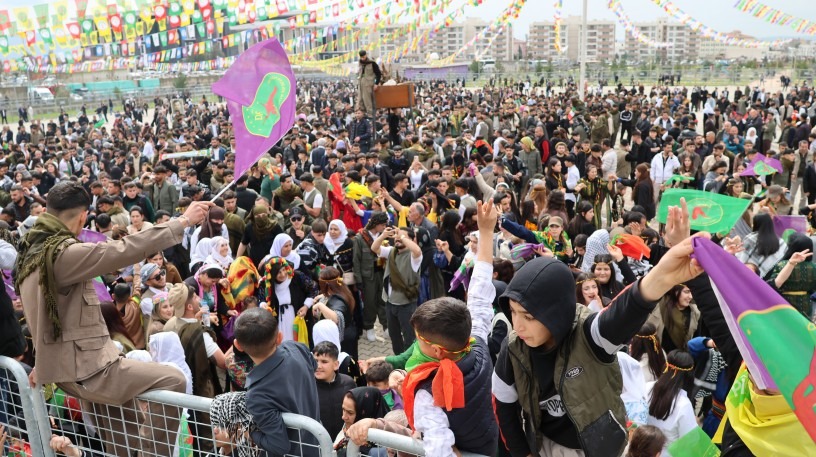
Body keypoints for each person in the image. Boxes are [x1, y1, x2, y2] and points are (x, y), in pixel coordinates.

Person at [493, 199, 703, 457]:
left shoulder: (587, 335)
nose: (518, 325)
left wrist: (663, 276)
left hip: (601, 447)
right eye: (512, 312)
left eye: (528, 315)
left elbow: (621, 314)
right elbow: (504, 408)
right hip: (547, 446)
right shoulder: (512, 349)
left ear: (555, 312)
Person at [16, 181, 211, 457]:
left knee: (123, 435)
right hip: (92, 369)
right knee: (173, 379)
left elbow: (40, 315)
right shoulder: (60, 253)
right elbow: (120, 250)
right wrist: (182, 222)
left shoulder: (32, 251)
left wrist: (46, 362)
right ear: (84, 216)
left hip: (79, 368)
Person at [233, 307, 320, 456]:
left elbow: (279, 446)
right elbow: (314, 366)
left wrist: (248, 432)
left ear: (238, 346)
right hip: (316, 444)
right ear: (279, 337)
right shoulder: (297, 348)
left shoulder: (256, 395)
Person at [371, 225, 422, 355]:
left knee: (409, 338)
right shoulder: (391, 251)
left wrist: (403, 236)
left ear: (411, 239)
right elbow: (374, 248)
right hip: (390, 303)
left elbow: (417, 251)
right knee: (394, 337)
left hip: (406, 305)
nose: (398, 238)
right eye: (397, 235)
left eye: (402, 236)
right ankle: (398, 361)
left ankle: (410, 364)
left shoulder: (413, 257)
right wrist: (383, 235)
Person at [646, 350, 697, 449]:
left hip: (644, 448)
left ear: (666, 367)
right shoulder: (683, 404)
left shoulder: (647, 387)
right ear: (689, 375)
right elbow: (690, 442)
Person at [314, 340, 357, 440]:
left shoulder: (348, 383)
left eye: (324, 362)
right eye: (315, 361)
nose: (318, 366)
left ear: (336, 365)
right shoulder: (307, 386)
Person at [767, 233, 815, 319]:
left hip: (786, 304)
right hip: (806, 305)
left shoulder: (782, 265)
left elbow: (773, 284)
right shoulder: (813, 267)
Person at [334, 387, 390, 456]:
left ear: (366, 413)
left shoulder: (384, 451)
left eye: (350, 413)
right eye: (343, 409)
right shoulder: (346, 432)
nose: (343, 417)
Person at [647, 284, 700, 353]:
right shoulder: (658, 308)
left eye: (691, 292)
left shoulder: (695, 312)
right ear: (676, 291)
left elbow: (696, 338)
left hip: (682, 359)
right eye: (686, 292)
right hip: (659, 357)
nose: (690, 296)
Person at [735, 212, 787, 278]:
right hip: (769, 279)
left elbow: (740, 258)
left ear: (756, 224)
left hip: (747, 276)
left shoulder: (750, 238)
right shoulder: (782, 243)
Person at [357, 51, 382, 118]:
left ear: (366, 55)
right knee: (360, 99)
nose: (363, 58)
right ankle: (362, 112)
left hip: (369, 83)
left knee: (367, 99)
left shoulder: (372, 63)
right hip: (361, 83)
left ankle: (370, 114)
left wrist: (376, 83)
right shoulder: (360, 63)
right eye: (361, 57)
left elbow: (378, 74)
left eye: (364, 56)